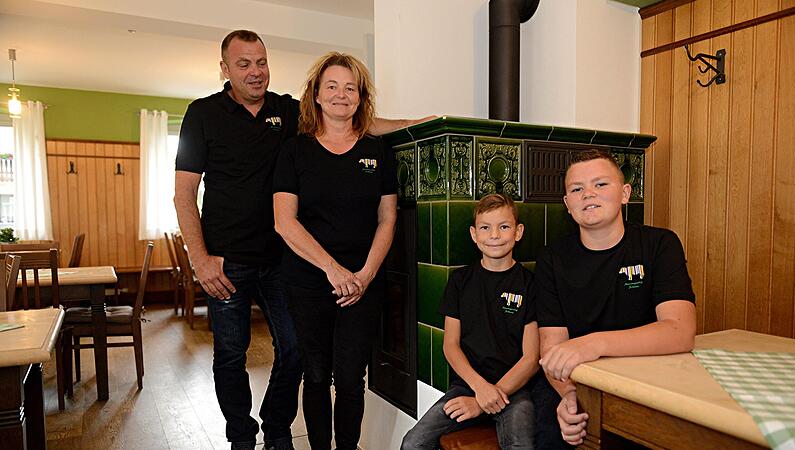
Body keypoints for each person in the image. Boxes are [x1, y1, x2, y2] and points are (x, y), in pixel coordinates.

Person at [175, 31, 429, 450]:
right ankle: (241, 437)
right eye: (243, 64)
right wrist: (199, 258)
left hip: (281, 260)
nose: (255, 72)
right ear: (224, 69)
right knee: (230, 356)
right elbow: (184, 194)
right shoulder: (202, 114)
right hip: (226, 260)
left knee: (294, 352)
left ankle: (277, 431)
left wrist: (414, 126)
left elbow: (350, 116)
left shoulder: (287, 111)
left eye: (261, 62)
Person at [272, 52, 398, 450]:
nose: (341, 95)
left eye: (350, 88)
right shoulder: (294, 151)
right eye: (332, 86)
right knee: (315, 373)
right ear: (317, 95)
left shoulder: (378, 151)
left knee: (349, 379)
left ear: (360, 98)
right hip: (309, 281)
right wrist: (333, 270)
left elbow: (388, 219)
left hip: (363, 284)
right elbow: (284, 222)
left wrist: (364, 276)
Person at [535, 149, 696, 446]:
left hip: (646, 382)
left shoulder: (660, 244)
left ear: (624, 194)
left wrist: (592, 344)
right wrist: (571, 397)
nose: (588, 194)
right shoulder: (551, 259)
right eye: (577, 189)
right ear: (567, 204)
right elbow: (552, 349)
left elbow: (680, 331)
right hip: (575, 384)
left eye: (600, 184)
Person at [402, 193, 539, 450]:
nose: (495, 235)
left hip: (514, 390)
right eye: (485, 228)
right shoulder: (459, 282)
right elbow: (450, 346)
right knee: (413, 443)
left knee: (521, 444)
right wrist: (479, 390)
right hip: (467, 385)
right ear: (474, 234)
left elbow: (531, 359)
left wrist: (489, 396)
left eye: (504, 226)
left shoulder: (530, 285)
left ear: (518, 232)